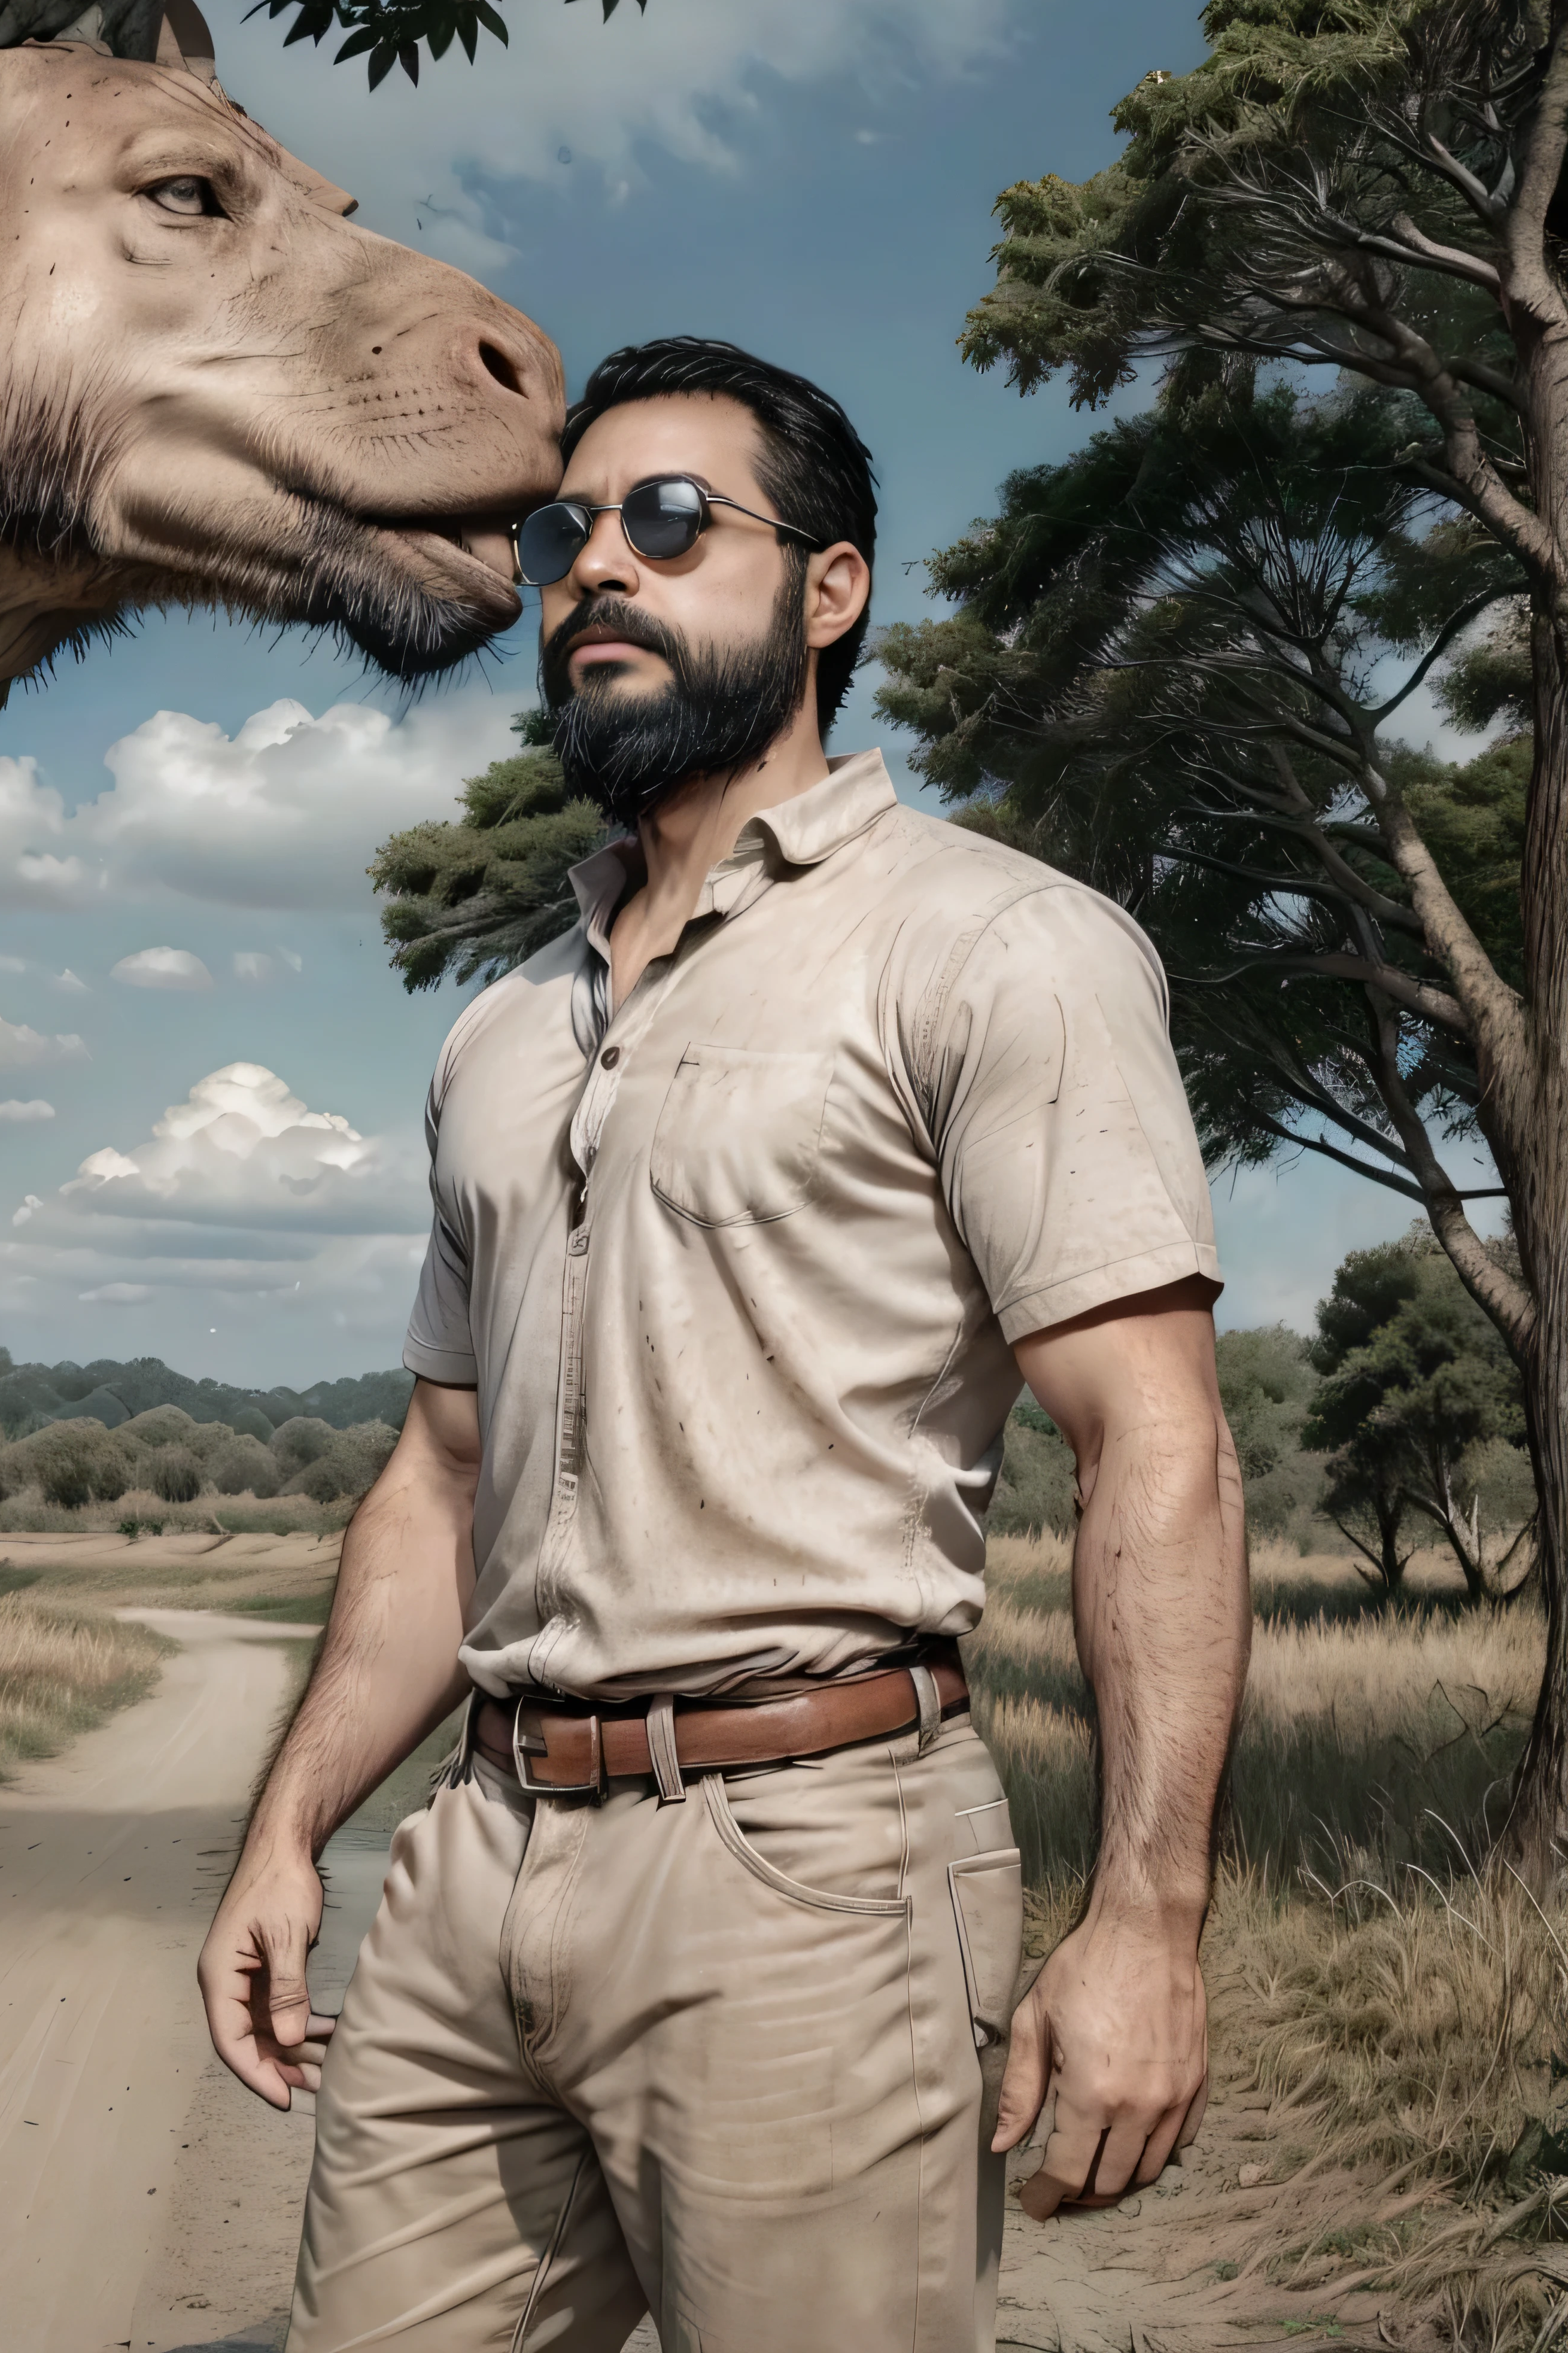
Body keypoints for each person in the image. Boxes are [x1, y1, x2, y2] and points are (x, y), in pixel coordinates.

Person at [199, 336, 1251, 2353]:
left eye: (671, 521)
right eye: (562, 533)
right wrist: (291, 1825)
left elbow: (1161, 1451)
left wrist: (1150, 1921)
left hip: (813, 1867)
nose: (598, 565)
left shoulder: (995, 946)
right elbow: (439, 1480)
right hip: (472, 1869)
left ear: (829, 590)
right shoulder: (502, 1031)